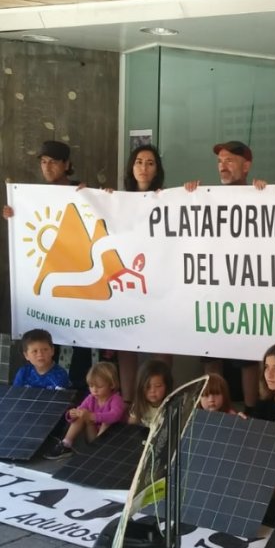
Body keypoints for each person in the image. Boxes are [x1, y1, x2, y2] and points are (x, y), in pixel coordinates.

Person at [183, 141, 267, 411]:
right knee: (211, 352)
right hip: (212, 289)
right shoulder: (206, 195)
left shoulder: (259, 194)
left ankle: (252, 414)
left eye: (230, 160)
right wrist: (188, 196)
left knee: (247, 355)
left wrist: (269, 195)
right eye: (220, 161)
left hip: (246, 288)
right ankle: (214, 409)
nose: (223, 166)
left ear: (246, 165)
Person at [3, 140, 92, 392]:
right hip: (50, 283)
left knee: (81, 343)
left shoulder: (83, 190)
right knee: (54, 338)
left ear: (67, 165)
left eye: (53, 161)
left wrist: (95, 197)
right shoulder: (31, 198)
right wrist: (13, 215)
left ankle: (79, 397)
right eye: (43, 162)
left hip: (80, 281)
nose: (47, 167)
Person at [111, 144, 171, 404]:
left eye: (150, 163)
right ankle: (127, 405)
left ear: (157, 169)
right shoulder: (116, 201)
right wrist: (89, 199)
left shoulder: (171, 199)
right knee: (127, 347)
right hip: (129, 287)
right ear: (131, 167)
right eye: (138, 162)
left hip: (161, 287)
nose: (143, 167)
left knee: (163, 347)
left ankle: (164, 404)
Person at [47, 361, 125, 459]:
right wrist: (72, 414)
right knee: (82, 415)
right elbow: (80, 409)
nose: (94, 390)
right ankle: (66, 444)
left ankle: (99, 451)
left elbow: (115, 415)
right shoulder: (91, 398)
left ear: (112, 385)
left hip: (110, 439)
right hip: (93, 437)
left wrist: (93, 416)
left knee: (107, 422)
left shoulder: (116, 399)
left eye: (99, 387)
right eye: (91, 386)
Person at [127, 359, 173, 426]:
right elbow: (131, 424)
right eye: (147, 387)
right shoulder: (139, 404)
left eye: (158, 386)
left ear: (167, 386)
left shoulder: (172, 406)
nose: (152, 391)